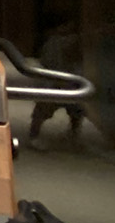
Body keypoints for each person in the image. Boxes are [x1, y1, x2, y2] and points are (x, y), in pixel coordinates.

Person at [29, 14, 88, 146]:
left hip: (69, 81)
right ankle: (34, 136)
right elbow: (46, 62)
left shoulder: (71, 40)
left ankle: (73, 133)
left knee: (76, 110)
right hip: (54, 81)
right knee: (42, 110)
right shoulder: (54, 43)